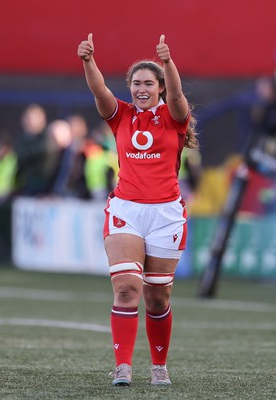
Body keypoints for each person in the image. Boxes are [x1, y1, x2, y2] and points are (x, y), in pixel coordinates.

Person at [77, 33, 198, 387]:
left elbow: (177, 95)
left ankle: (159, 365)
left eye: (148, 83)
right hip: (126, 209)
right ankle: (123, 366)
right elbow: (100, 91)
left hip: (166, 215)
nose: (141, 89)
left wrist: (168, 62)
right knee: (127, 287)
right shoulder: (121, 116)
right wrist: (88, 61)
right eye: (135, 83)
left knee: (157, 297)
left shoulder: (174, 116)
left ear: (159, 87)